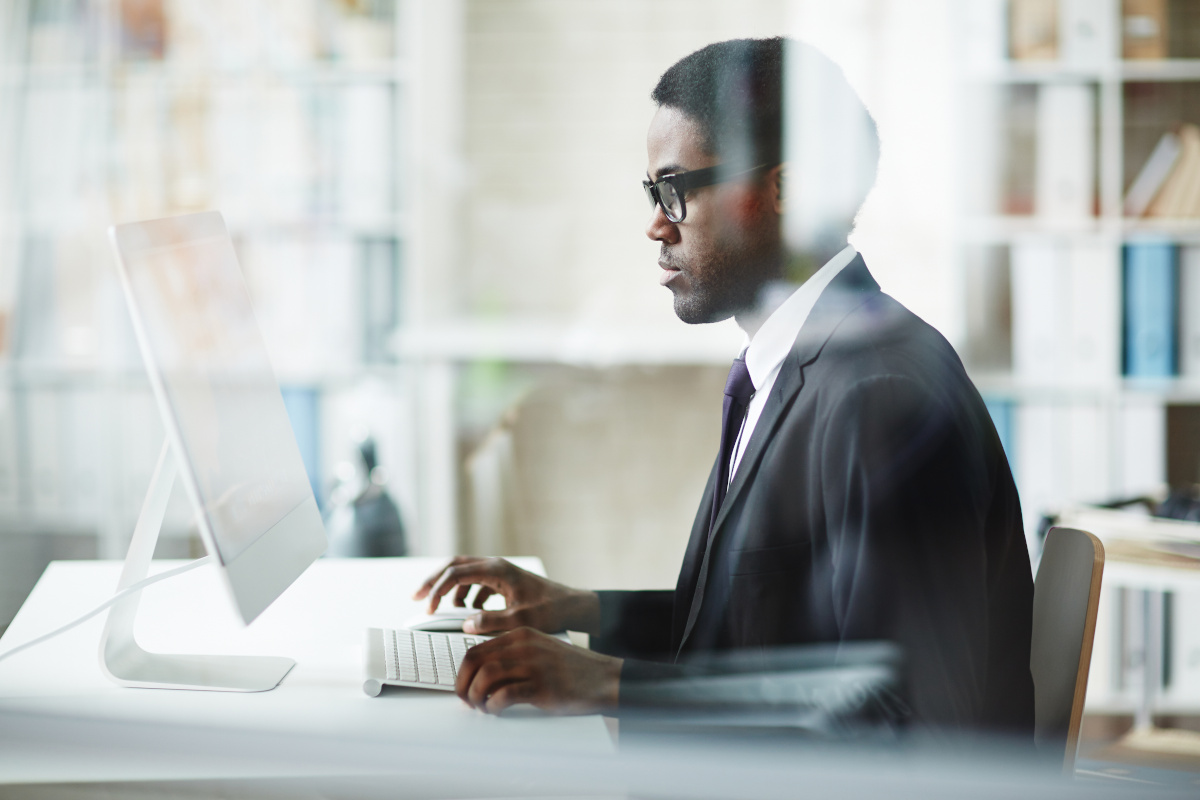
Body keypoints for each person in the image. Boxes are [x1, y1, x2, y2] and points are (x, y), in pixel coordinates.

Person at [414, 37, 1035, 734]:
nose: (655, 224)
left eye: (675, 190)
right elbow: (758, 623)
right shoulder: (784, 367)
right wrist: (581, 610)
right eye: (653, 193)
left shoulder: (878, 396)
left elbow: (909, 721)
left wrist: (612, 684)